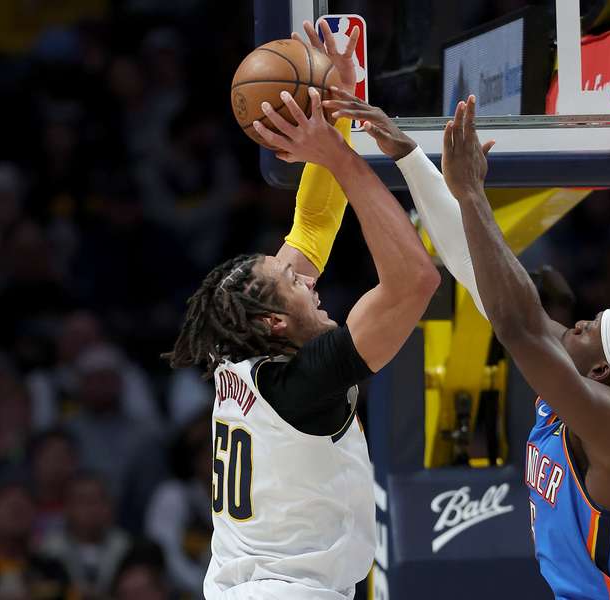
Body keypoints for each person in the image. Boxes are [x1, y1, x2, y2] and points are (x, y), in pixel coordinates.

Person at [326, 91, 610, 599]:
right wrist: (409, 157)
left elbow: (518, 327)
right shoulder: (584, 389)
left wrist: (473, 195)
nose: (573, 324)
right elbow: (476, 275)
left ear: (600, 371)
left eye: (585, 329)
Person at [163, 22, 439, 600]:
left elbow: (311, 228)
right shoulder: (300, 379)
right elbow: (415, 279)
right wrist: (336, 151)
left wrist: (337, 100)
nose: (307, 276)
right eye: (291, 279)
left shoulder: (240, 354)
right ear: (275, 322)